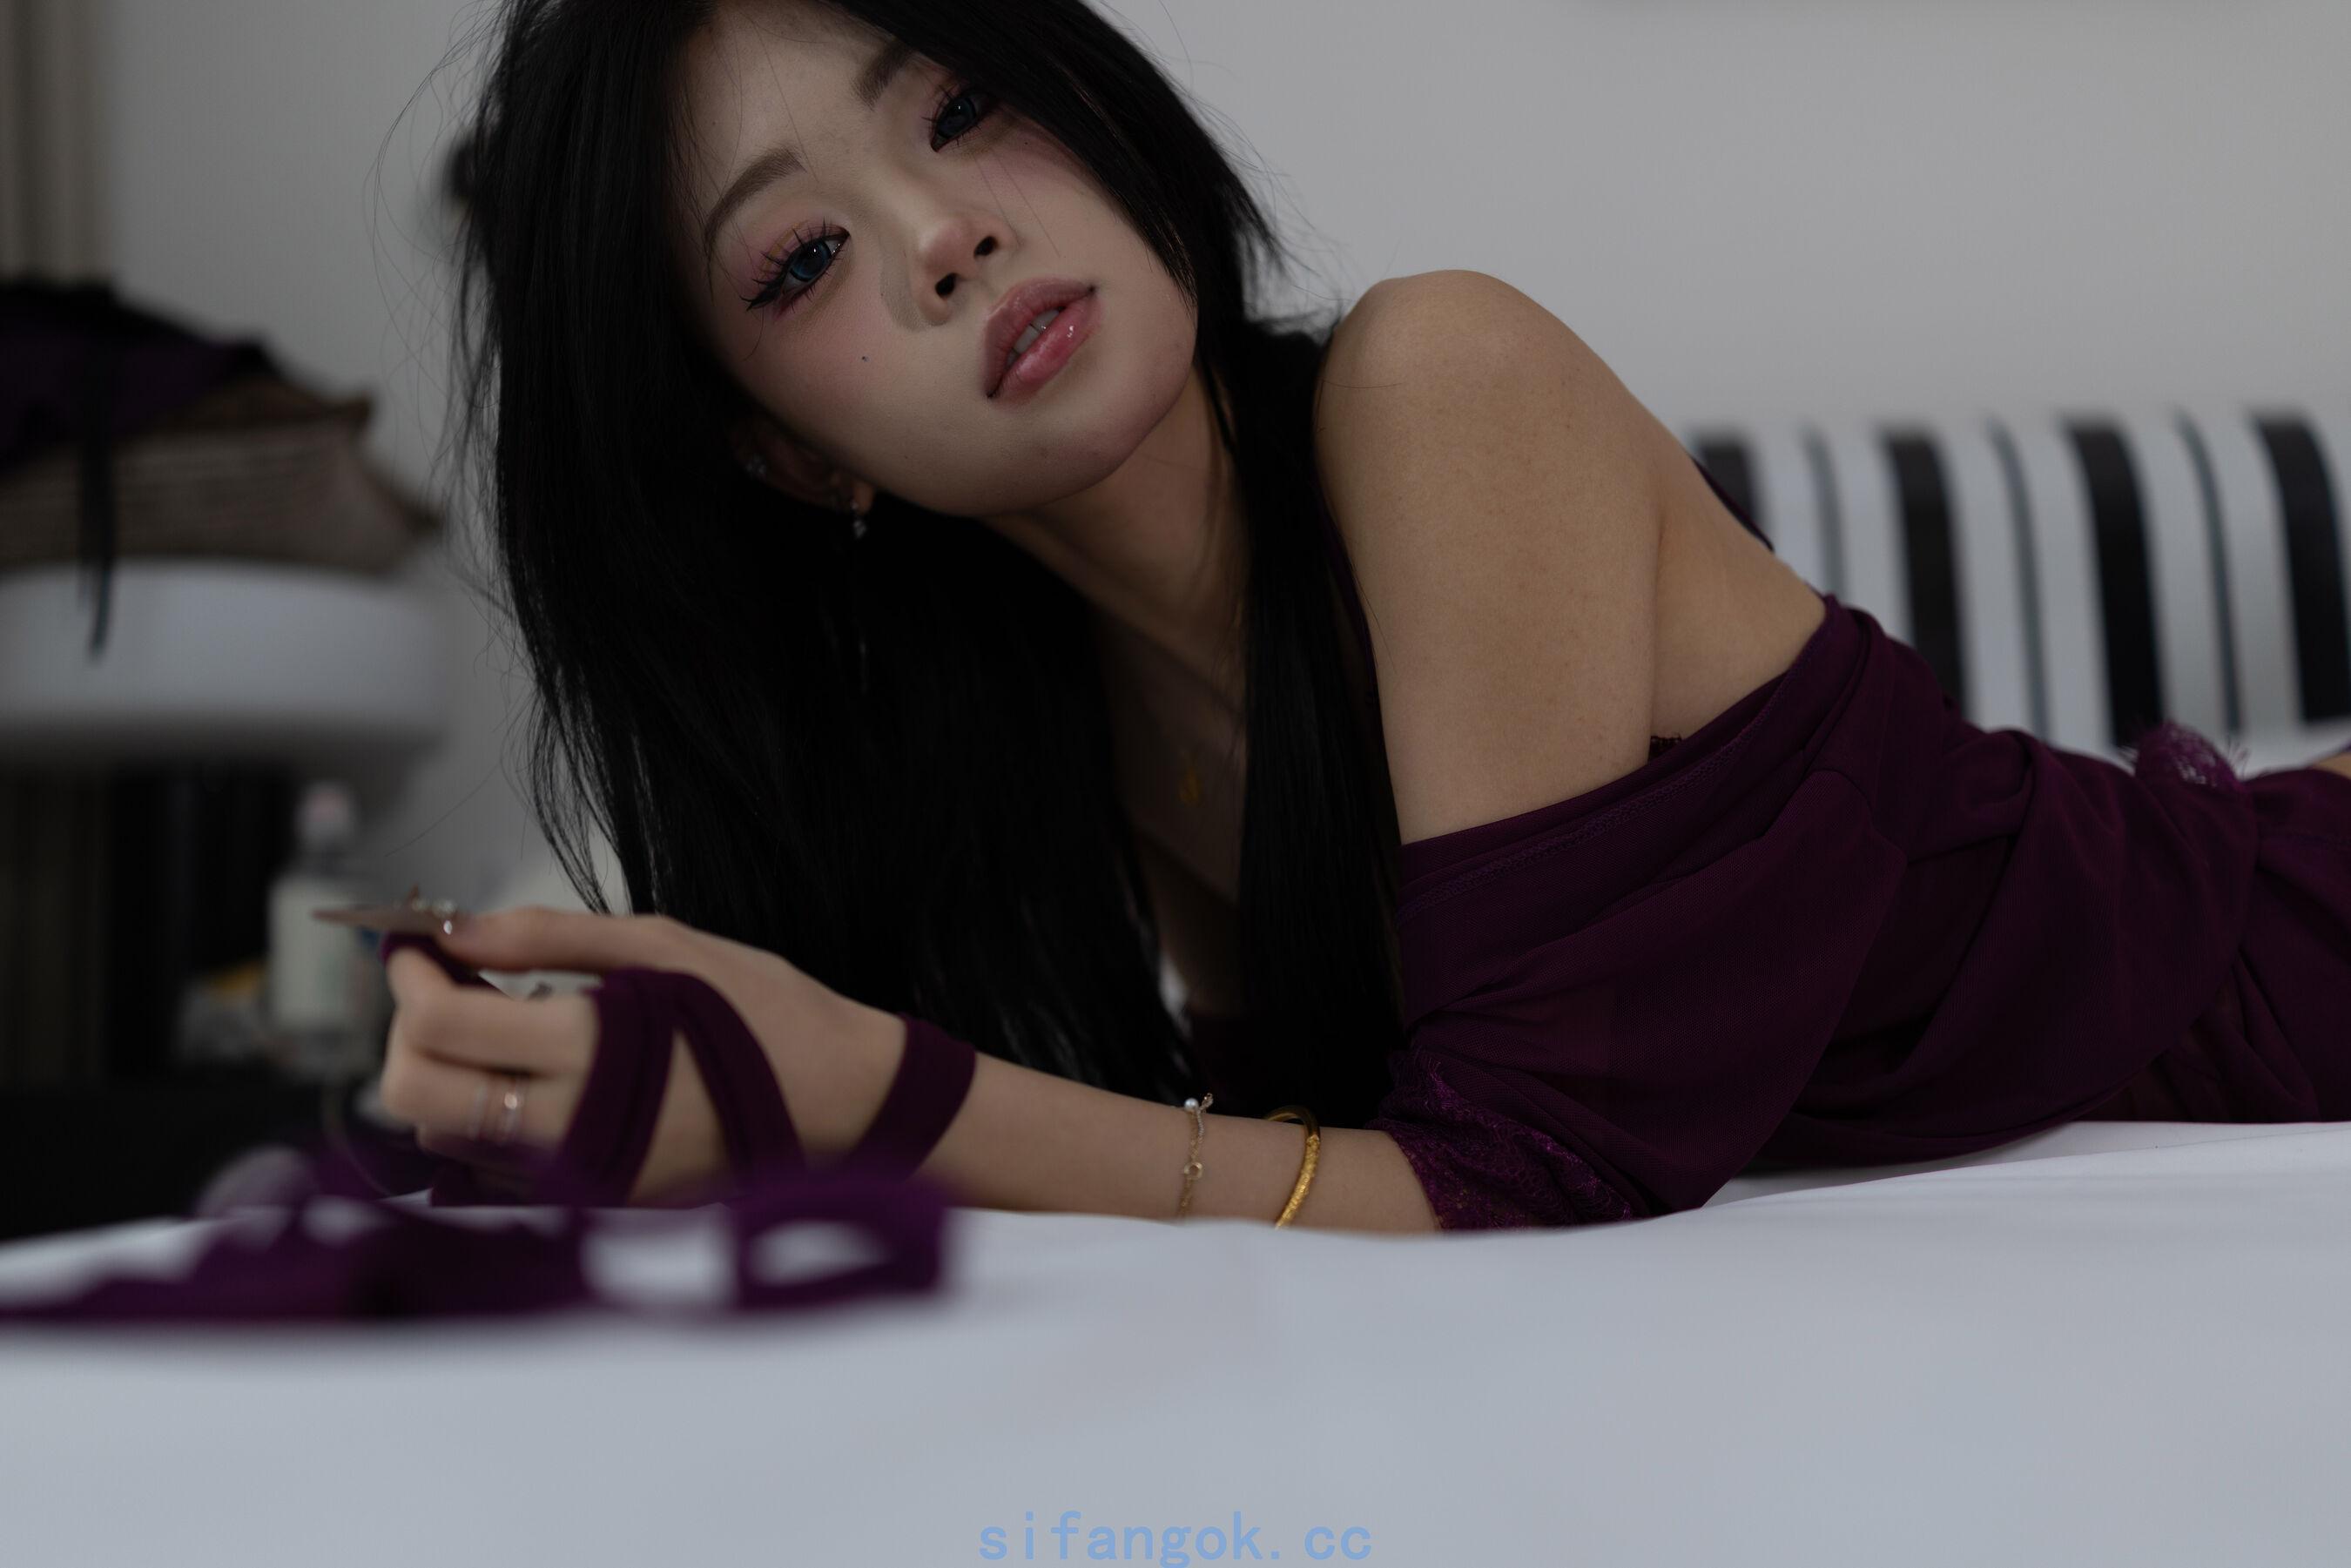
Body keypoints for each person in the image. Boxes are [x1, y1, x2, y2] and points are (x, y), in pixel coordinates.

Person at [379, 0, 2351, 1233]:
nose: (942, 235)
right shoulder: (1057, 709)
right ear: (790, 459)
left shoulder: (1441, 384)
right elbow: (1317, 1151)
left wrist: (884, 1100)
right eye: (803, 257)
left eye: (964, 106)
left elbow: (1531, 1168)